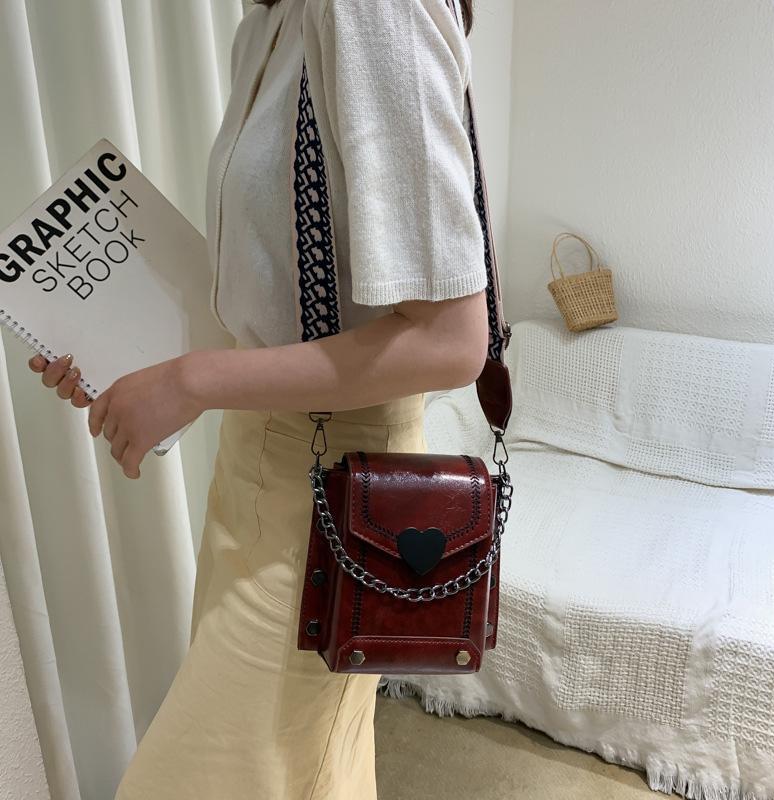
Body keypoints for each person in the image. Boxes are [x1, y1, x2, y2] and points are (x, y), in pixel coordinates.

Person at [28, 0, 487, 796]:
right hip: (252, 474)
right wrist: (124, 351)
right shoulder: (269, 22)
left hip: (334, 501)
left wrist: (190, 381)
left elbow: (451, 339)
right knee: (304, 772)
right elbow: (279, 298)